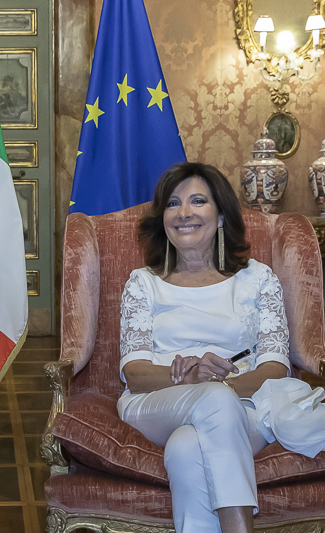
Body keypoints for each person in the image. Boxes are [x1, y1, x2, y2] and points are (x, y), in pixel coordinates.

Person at [118, 162, 295, 533]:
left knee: (186, 447)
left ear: (219, 216)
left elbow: (276, 367)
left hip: (247, 406)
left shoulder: (257, 279)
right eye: (172, 204)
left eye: (198, 201)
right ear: (162, 218)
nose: (183, 213)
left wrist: (220, 387)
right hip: (158, 400)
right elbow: (134, 373)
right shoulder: (143, 284)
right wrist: (188, 377)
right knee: (212, 400)